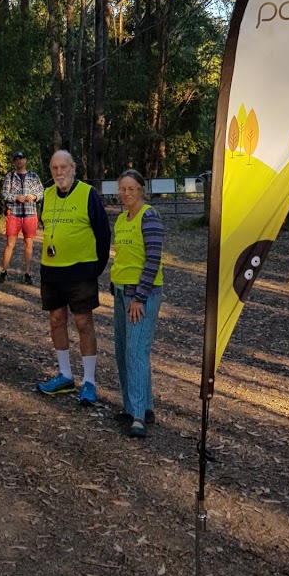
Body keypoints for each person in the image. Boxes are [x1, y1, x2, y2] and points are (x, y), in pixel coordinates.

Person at [37, 149, 110, 405]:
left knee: (83, 323)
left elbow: (103, 234)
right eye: (55, 168)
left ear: (74, 168)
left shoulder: (88, 194)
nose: (59, 173)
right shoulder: (45, 196)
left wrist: (95, 269)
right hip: (52, 270)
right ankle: (65, 375)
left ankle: (89, 381)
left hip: (81, 272)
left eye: (64, 167)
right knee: (56, 320)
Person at [110, 169, 164, 439]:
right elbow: (121, 256)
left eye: (131, 188)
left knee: (136, 352)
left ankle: (139, 418)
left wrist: (140, 296)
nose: (126, 193)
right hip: (120, 293)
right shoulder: (121, 219)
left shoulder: (149, 216)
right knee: (122, 351)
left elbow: (153, 259)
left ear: (141, 190)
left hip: (141, 295)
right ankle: (136, 406)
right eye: (122, 189)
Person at [0, 150, 44, 285]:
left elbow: (41, 192)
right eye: (17, 159)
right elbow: (4, 194)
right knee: (10, 244)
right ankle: (3, 271)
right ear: (14, 162)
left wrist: (34, 197)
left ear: (26, 160)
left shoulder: (34, 176)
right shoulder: (10, 177)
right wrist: (16, 198)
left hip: (30, 214)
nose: (19, 161)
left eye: (21, 158)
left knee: (29, 245)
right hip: (14, 214)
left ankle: (27, 273)